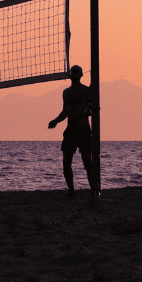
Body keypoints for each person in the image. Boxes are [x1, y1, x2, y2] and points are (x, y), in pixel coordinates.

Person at [47, 65, 94, 197]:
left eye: (76, 72)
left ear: (81, 74)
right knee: (66, 162)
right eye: (72, 71)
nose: (73, 73)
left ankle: (93, 189)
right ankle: (71, 191)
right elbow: (64, 112)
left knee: (87, 162)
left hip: (84, 130)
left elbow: (92, 109)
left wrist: (83, 113)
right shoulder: (66, 92)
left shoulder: (86, 90)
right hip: (71, 130)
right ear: (70, 74)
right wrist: (55, 121)